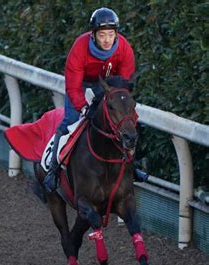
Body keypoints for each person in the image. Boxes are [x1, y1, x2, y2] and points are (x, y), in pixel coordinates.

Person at [44, 7, 146, 193]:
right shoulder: (80, 47)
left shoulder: (123, 48)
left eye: (111, 34)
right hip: (81, 84)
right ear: (93, 35)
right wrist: (83, 108)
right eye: (102, 35)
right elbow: (73, 86)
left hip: (107, 86)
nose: (107, 40)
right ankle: (53, 169)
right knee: (71, 121)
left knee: (126, 124)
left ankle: (132, 166)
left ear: (116, 34)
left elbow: (124, 83)